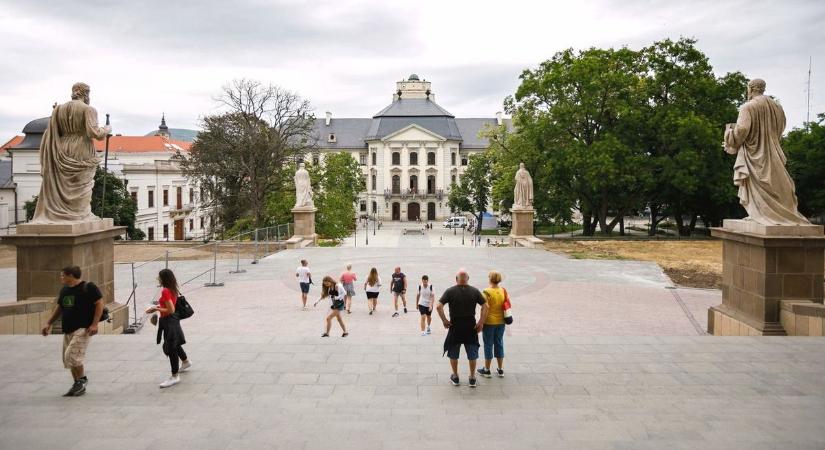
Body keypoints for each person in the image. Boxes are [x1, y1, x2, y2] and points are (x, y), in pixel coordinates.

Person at [41, 265, 105, 397]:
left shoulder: (88, 287)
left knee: (71, 356)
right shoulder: (65, 290)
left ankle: (81, 381)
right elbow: (60, 307)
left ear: (71, 275)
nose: (61, 277)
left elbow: (100, 304)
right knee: (69, 359)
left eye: (63, 275)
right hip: (68, 329)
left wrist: (94, 324)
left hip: (83, 328)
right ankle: (78, 383)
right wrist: (49, 323)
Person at [436, 269, 489, 388]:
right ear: (468, 279)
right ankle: (472, 378)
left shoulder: (450, 291)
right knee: (472, 353)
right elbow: (486, 306)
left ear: (456, 279)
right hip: (471, 326)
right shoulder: (474, 291)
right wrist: (481, 322)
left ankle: (455, 376)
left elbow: (438, 306)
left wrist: (444, 320)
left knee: (453, 353)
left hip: (455, 327)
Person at [146, 269, 191, 388]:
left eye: (159, 277)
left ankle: (174, 376)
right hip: (173, 321)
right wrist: (158, 306)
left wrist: (156, 309)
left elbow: (170, 310)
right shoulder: (173, 288)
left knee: (171, 348)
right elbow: (170, 305)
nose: (157, 279)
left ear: (164, 278)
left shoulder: (165, 291)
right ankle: (186, 362)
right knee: (175, 343)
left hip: (169, 322)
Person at [478, 271, 507, 378]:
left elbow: (484, 308)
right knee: (499, 343)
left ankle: (487, 369)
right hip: (501, 322)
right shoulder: (503, 290)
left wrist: (481, 322)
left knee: (488, 345)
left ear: (490, 279)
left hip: (489, 322)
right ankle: (500, 369)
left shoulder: (486, 292)